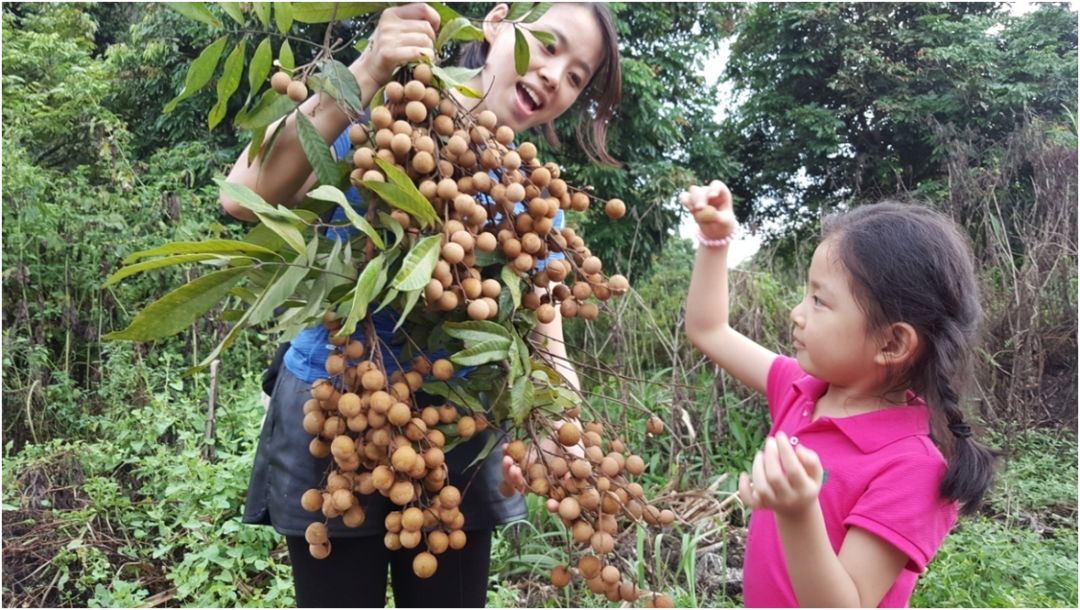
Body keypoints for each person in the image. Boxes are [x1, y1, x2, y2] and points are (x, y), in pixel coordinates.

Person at [220, 3, 622, 607]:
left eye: (575, 77)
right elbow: (241, 198)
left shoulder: (536, 203)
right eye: (548, 44)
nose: (553, 75)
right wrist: (368, 67)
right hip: (335, 408)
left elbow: (546, 343)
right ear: (496, 22)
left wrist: (566, 436)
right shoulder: (377, 115)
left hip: (456, 431)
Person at [682, 181, 997, 607]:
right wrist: (715, 241)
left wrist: (798, 513)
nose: (797, 313)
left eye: (819, 301)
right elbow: (709, 330)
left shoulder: (913, 467)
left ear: (892, 343)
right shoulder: (800, 390)